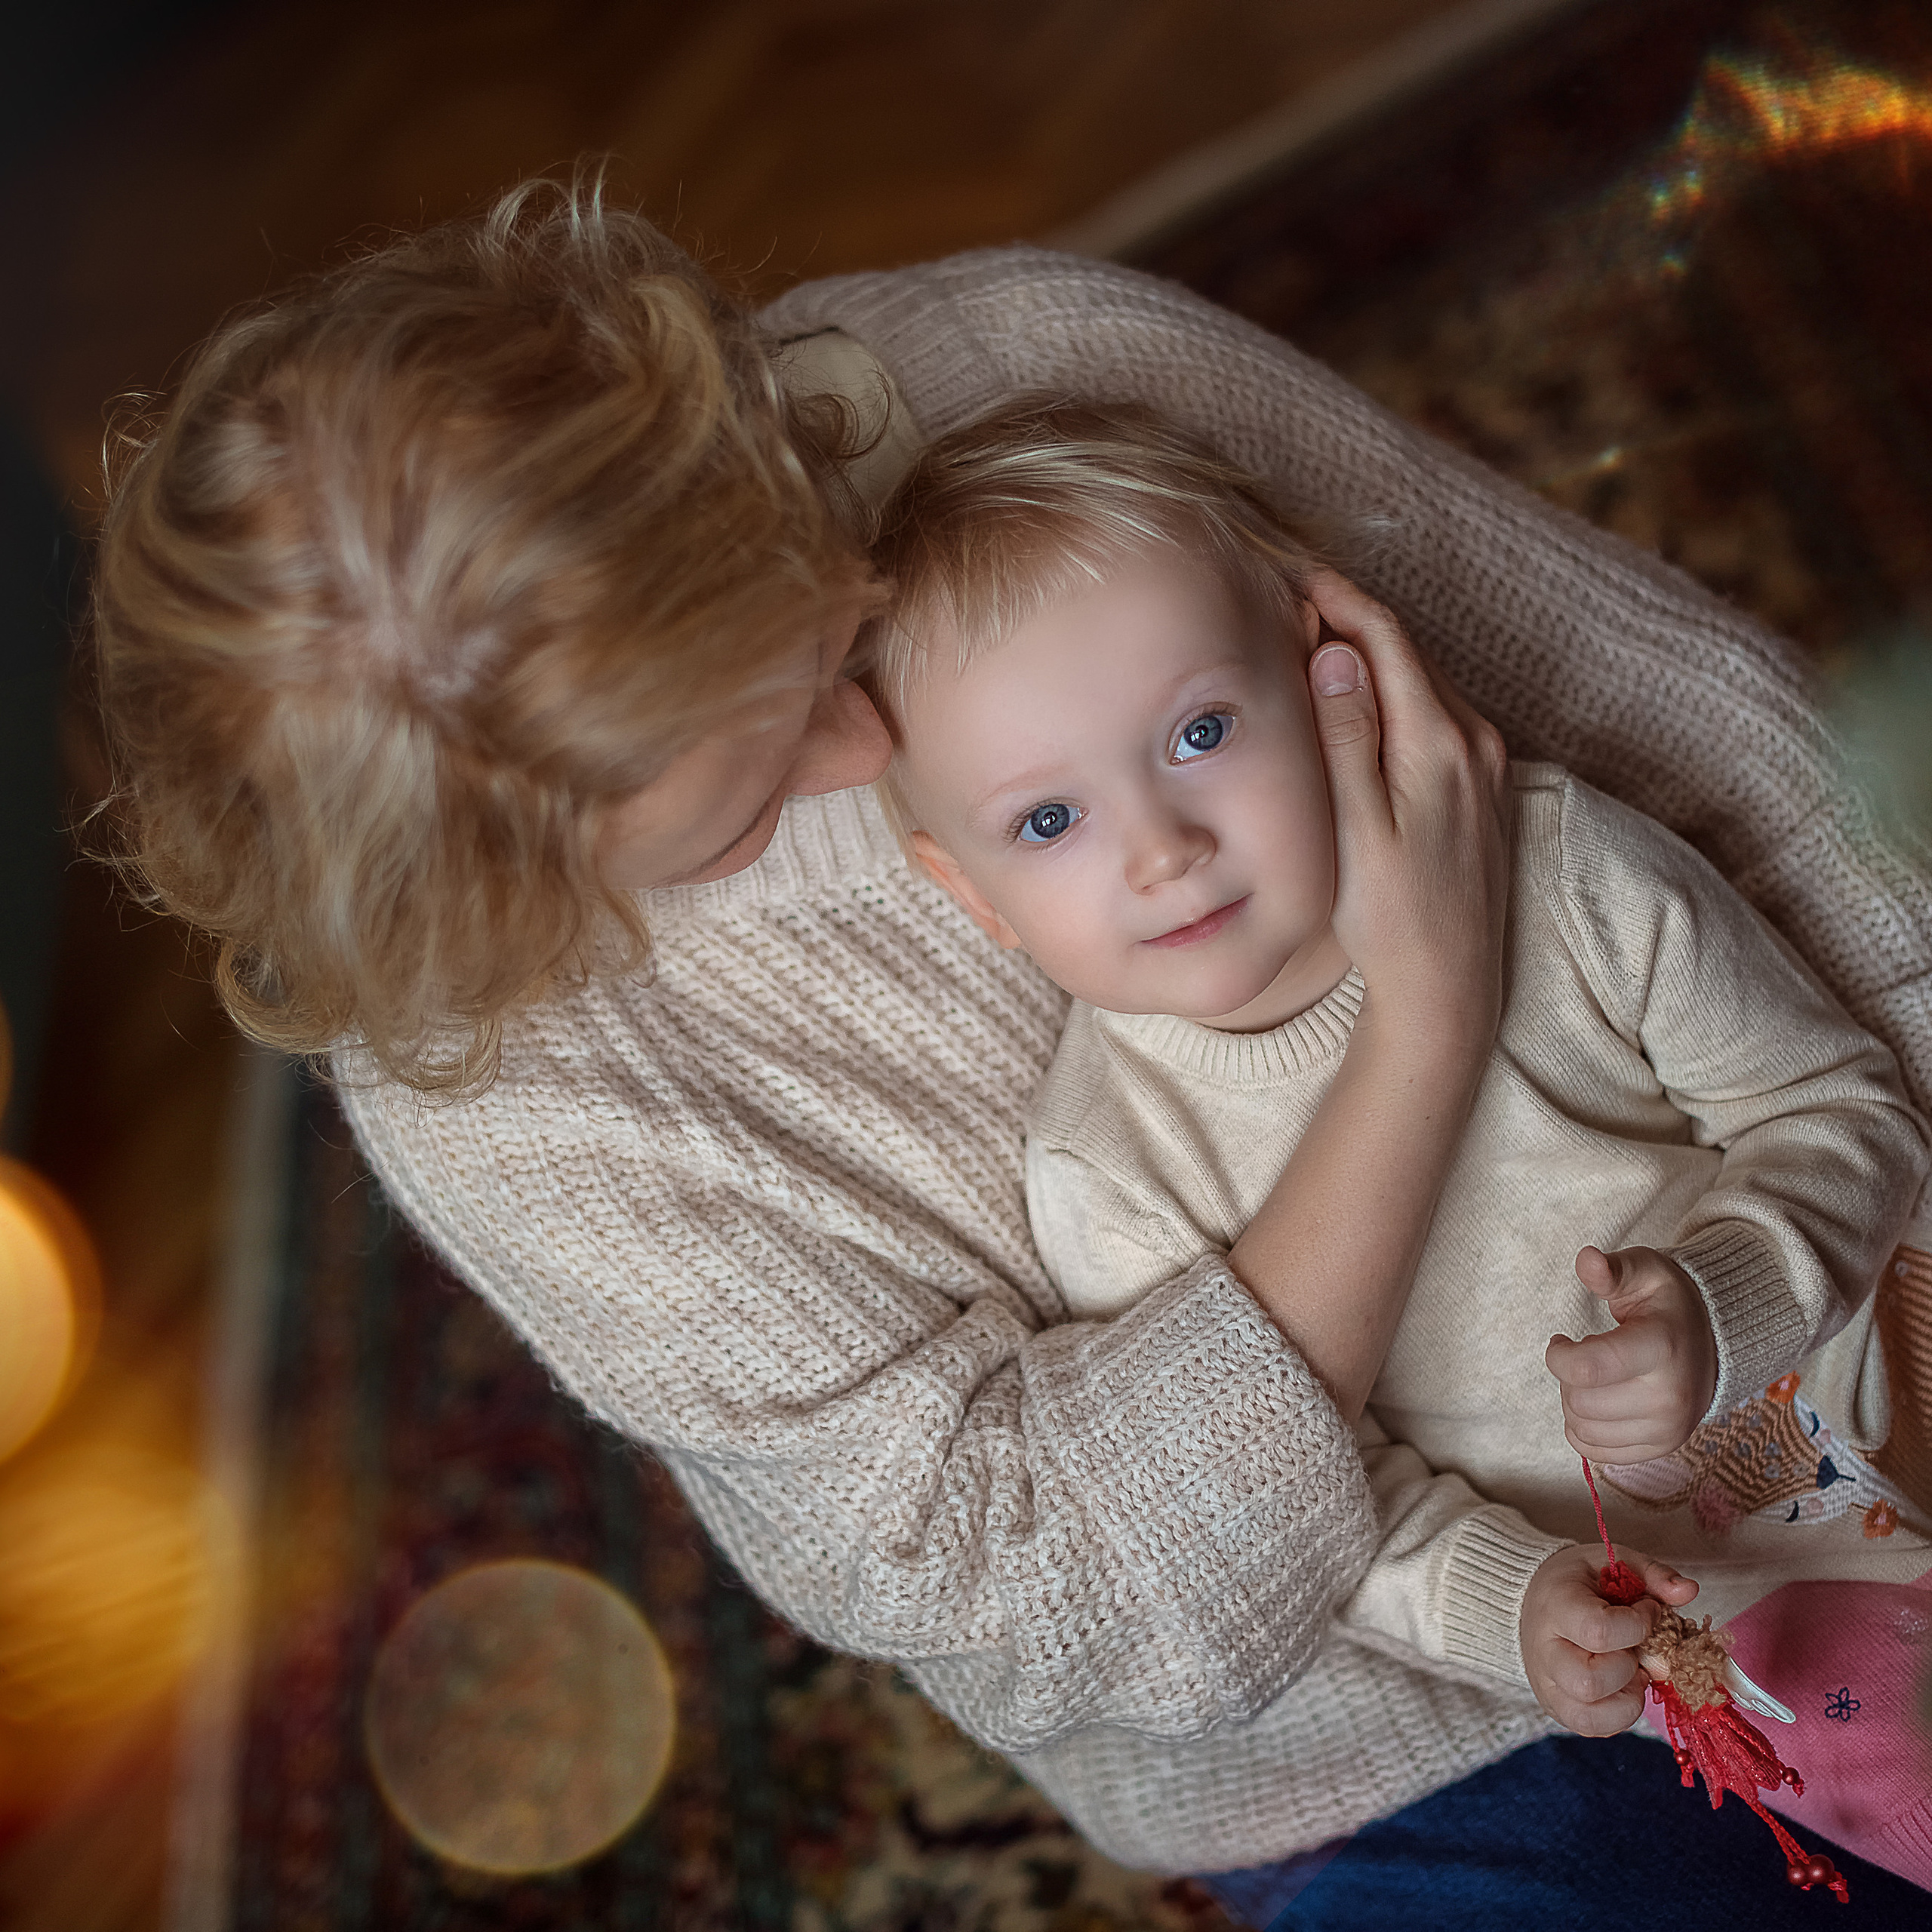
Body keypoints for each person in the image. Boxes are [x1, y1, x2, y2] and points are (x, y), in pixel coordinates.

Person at [88, 180, 1932, 1912]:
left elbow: (1701, 742)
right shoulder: (500, 1095)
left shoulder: (1021, 371)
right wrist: (1424, 1019)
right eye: (740, 808)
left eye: (823, 631)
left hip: (1806, 1339)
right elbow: (1077, 1595)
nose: (859, 759)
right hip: (1389, 1687)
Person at [865, 398, 1932, 1881]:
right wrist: (1513, 1601)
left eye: (1196, 731)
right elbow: (1316, 1495)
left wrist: (1714, 1302)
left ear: (1330, 679)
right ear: (969, 894)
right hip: (1722, 1601)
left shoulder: (1553, 868)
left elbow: (1838, 1106)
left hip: (1885, 1361)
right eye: (1047, 820)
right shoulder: (1109, 1168)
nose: (1159, 845)